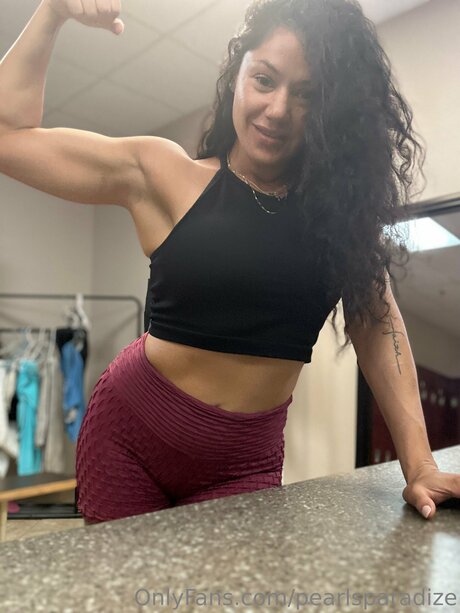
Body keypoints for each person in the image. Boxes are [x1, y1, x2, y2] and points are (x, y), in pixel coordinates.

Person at [0, 0, 459, 525]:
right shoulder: (165, 174)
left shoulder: (341, 225)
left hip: (243, 463)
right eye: (264, 79)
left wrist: (419, 466)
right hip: (126, 440)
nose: (278, 109)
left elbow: (377, 324)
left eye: (306, 94)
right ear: (236, 73)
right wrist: (52, 12)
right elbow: (7, 137)